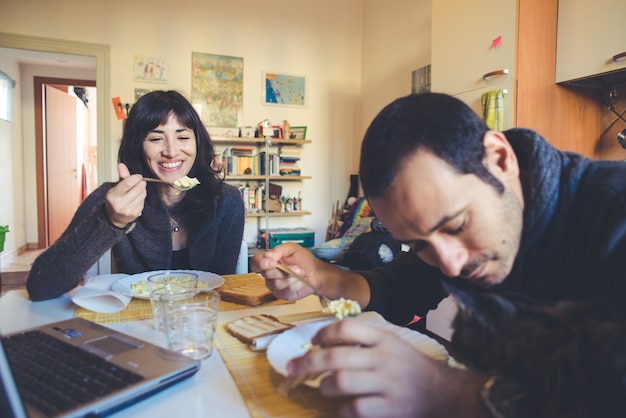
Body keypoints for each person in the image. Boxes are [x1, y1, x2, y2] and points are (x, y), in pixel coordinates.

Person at [252, 93, 626, 417]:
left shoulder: (613, 213)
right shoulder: (453, 241)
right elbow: (401, 285)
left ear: (499, 158)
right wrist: (320, 277)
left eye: (458, 224)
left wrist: (449, 392)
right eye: (419, 245)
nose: (450, 264)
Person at [27, 90, 245, 301]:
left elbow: (223, 286)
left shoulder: (227, 201)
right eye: (155, 138)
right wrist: (110, 221)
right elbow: (41, 286)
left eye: (183, 137)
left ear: (198, 143)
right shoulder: (112, 198)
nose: (171, 151)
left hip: (201, 323)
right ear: (137, 146)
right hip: (134, 324)